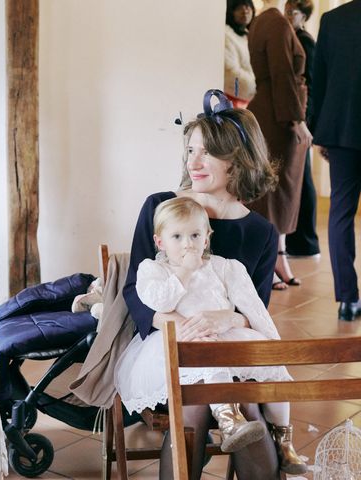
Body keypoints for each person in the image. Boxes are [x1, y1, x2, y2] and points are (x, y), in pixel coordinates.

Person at [122, 90, 282, 479]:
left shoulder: (261, 232)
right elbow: (134, 290)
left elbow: (255, 310)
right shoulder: (161, 207)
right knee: (193, 402)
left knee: (248, 403)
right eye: (190, 150)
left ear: (237, 161)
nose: (193, 162)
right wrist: (180, 324)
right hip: (167, 339)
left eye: (206, 153)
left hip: (229, 341)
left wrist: (225, 318)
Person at [115, 196, 306, 474]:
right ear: (160, 242)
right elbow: (160, 302)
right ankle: (228, 418)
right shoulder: (153, 270)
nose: (187, 244)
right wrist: (184, 272)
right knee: (203, 369)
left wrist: (256, 337)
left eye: (194, 235)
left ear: (206, 238)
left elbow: (257, 313)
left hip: (227, 340)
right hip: (177, 348)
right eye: (177, 236)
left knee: (270, 373)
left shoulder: (225, 266)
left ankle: (284, 439)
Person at [247, 0, 313, 290]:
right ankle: (269, 261)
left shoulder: (263, 20)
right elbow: (282, 74)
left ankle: (277, 255)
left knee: (277, 191)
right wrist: (298, 121)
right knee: (274, 191)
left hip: (272, 113)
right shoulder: (274, 22)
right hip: (278, 118)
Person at [311, 0, 361, 321]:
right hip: (341, 130)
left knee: (341, 210)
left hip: (341, 130)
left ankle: (348, 299)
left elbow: (319, 80)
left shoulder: (332, 19)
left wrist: (319, 131)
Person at [284, 0, 321, 257]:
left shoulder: (303, 40)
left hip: (301, 119)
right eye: (287, 8)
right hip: (299, 117)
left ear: (303, 16)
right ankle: (302, 241)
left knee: (301, 179)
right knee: (298, 178)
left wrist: (304, 120)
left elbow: (309, 85)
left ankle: (305, 242)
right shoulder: (292, 36)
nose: (289, 14)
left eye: (294, 11)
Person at [224, 0, 257, 108]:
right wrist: (257, 87)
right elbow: (231, 73)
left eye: (248, 6)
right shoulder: (226, 35)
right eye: (239, 8)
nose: (245, 11)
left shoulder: (248, 35)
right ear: (230, 12)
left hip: (247, 100)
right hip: (232, 101)